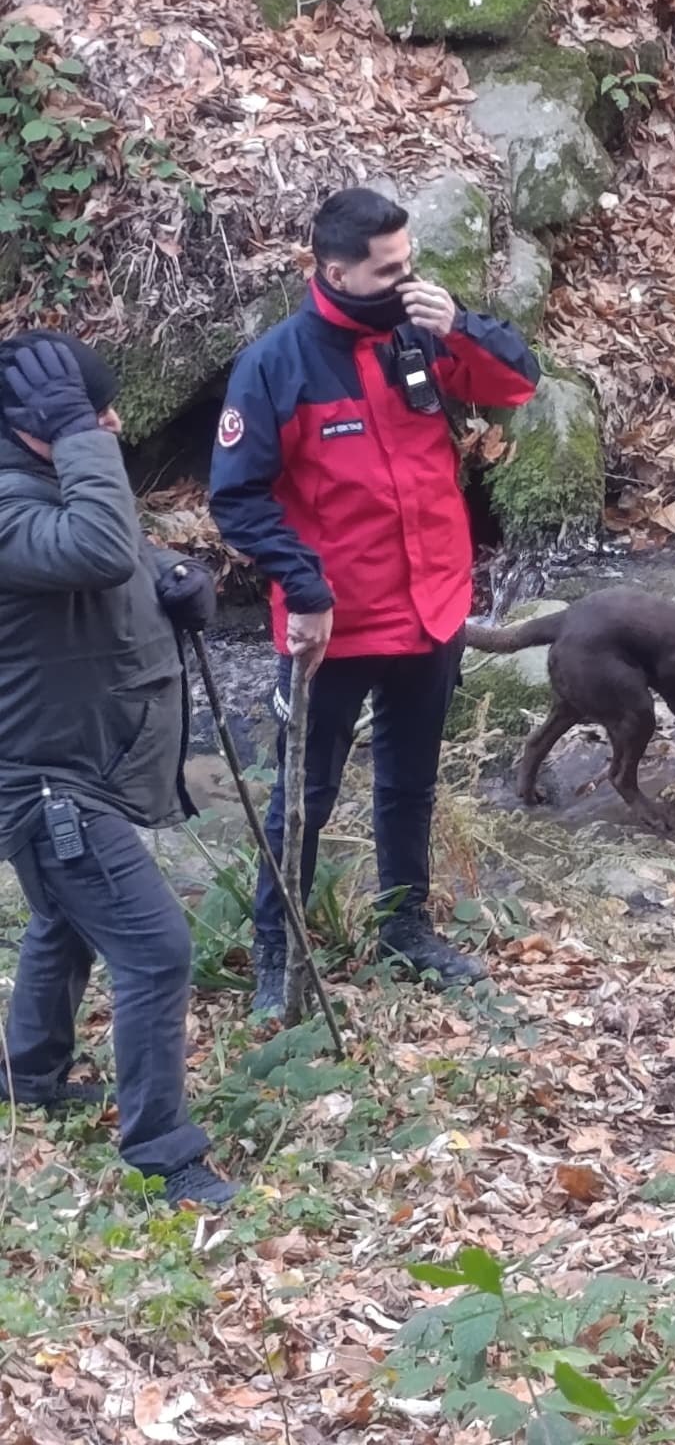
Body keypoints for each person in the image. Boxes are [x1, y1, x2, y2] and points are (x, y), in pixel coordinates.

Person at [209, 186, 539, 1013]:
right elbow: (237, 499)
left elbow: (517, 382)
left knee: (409, 784)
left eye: (410, 264)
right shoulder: (276, 365)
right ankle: (277, 954)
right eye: (389, 270)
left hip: (429, 609)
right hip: (331, 626)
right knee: (306, 796)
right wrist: (305, 586)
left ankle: (406, 928)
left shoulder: (418, 335)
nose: (405, 279)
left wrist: (456, 321)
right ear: (336, 271)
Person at [0, 332, 236, 1208]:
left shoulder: (41, 478)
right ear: (41, 430)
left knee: (62, 921)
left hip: (76, 763)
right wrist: (82, 438)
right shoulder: (7, 500)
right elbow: (94, 548)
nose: (114, 425)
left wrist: (178, 574)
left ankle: (31, 1079)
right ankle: (164, 1155)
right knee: (154, 946)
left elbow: (116, 558)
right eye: (96, 416)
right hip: (45, 782)